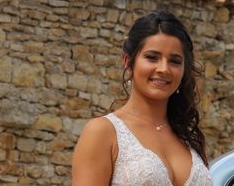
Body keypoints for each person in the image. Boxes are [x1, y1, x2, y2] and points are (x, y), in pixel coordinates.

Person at [72, 11, 212, 186]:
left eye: (175, 61)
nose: (164, 69)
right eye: (152, 57)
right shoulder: (102, 132)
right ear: (128, 62)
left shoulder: (189, 139)